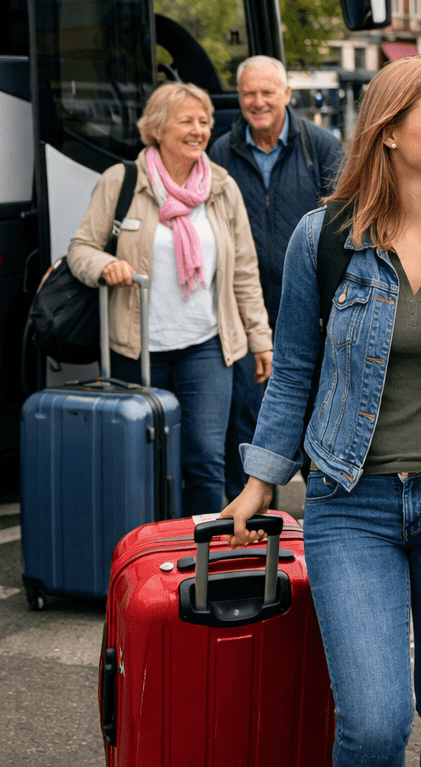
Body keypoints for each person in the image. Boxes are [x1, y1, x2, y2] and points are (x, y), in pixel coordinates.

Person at [223, 54, 421, 767]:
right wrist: (260, 480)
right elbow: (296, 372)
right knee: (373, 723)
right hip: (352, 503)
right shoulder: (324, 238)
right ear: (390, 132)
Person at [68, 82, 273, 515]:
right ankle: (149, 554)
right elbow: (81, 248)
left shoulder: (221, 187)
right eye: (187, 121)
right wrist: (105, 266)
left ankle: (199, 557)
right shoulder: (122, 182)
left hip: (206, 346)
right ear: (157, 129)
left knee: (206, 458)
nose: (199, 130)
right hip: (138, 348)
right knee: (144, 458)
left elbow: (243, 272)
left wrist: (260, 339)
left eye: (204, 122)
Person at [208, 54, 343, 502]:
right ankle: (246, 520)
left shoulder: (321, 147)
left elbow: (345, 221)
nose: (258, 101)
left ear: (286, 94)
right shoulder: (220, 154)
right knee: (246, 416)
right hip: (246, 310)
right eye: (249, 93)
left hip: (312, 308)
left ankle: (323, 510)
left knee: (313, 408)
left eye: (268, 92)